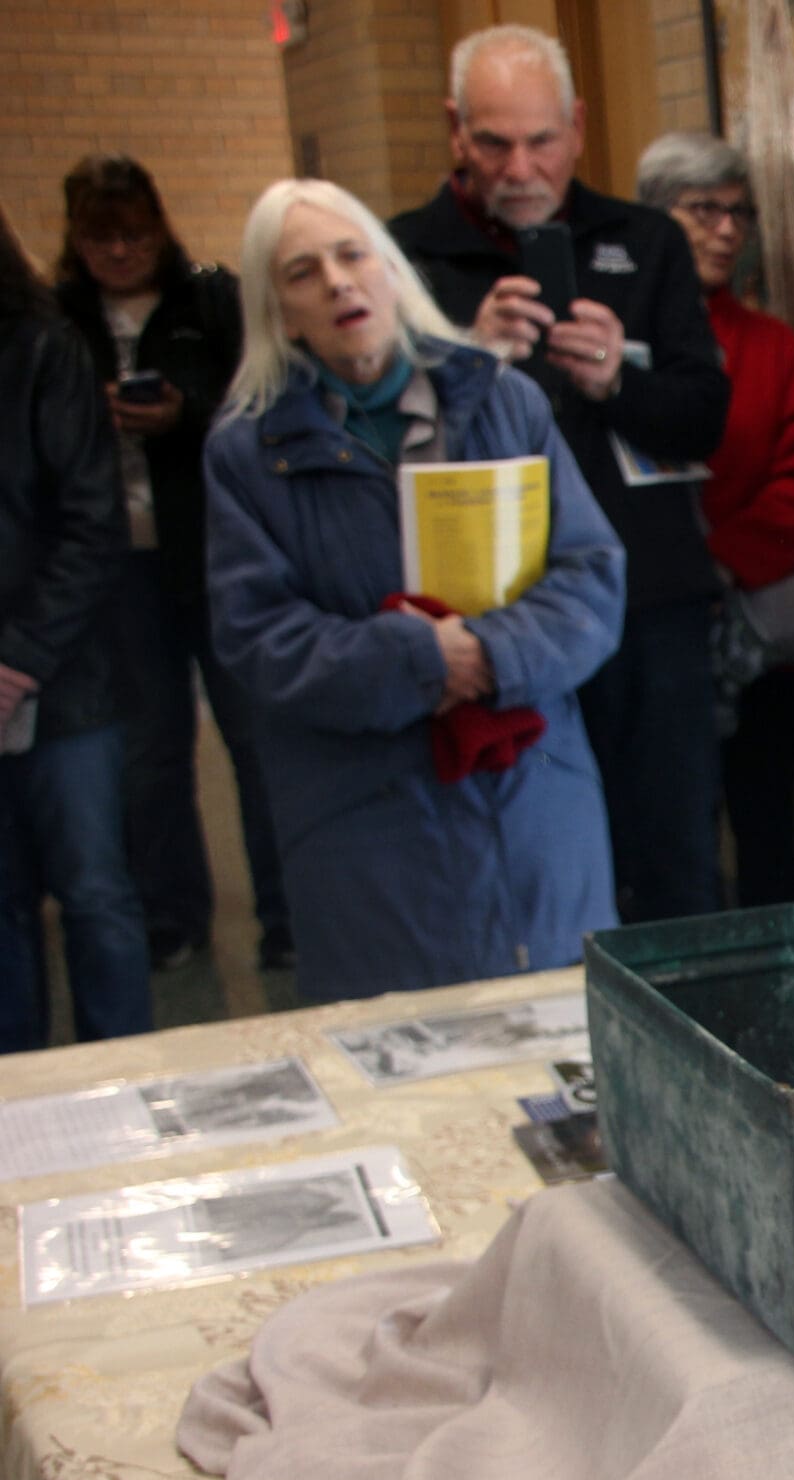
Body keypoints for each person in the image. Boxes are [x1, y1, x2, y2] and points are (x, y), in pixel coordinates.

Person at [203, 178, 625, 1003]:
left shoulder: (505, 402)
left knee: (556, 1043)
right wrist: (420, 660)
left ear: (392, 272)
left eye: (353, 255)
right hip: (366, 827)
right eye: (302, 273)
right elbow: (259, 638)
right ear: (279, 312)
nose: (338, 283)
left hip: (532, 801)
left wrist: (487, 653)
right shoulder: (247, 454)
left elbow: (592, 580)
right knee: (402, 1052)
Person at [390, 24, 732, 925]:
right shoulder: (404, 259)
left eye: (541, 140)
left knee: (673, 858)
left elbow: (704, 417)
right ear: (456, 131)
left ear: (577, 128)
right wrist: (468, 357)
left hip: (647, 602)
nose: (521, 168)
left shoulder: (647, 242)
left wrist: (618, 381)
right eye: (494, 143)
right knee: (526, 868)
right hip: (492, 615)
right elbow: (380, 447)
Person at [53, 154, 289, 975]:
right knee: (151, 747)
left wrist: (182, 416)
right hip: (120, 564)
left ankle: (285, 917)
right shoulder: (62, 321)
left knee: (253, 737)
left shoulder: (208, 302)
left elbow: (256, 406)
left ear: (159, 229)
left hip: (214, 552)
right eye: (101, 238)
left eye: (134, 235)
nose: (120, 252)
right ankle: (171, 918)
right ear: (76, 240)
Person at [635, 132, 794, 909]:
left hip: (753, 629)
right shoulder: (618, 342)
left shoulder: (771, 346)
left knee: (765, 829)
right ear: (656, 217)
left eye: (740, 213)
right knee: (667, 836)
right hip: (646, 623)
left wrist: (724, 561)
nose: (727, 231)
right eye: (704, 211)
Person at [0, 198, 152, 1051]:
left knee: (94, 893)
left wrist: (16, 660)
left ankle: (124, 1074)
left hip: (64, 684)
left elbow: (93, 526)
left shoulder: (43, 348)